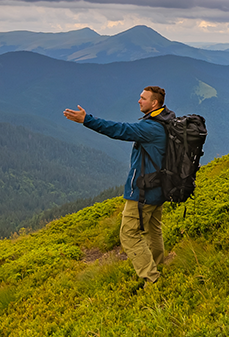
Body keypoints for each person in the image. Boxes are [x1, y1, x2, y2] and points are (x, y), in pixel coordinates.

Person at [64, 86, 171, 285]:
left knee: (129, 234)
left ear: (154, 103)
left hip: (143, 191)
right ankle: (158, 265)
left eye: (143, 98)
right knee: (154, 229)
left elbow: (120, 129)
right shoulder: (166, 120)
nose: (139, 101)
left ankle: (152, 279)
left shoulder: (150, 127)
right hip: (160, 188)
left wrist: (87, 120)